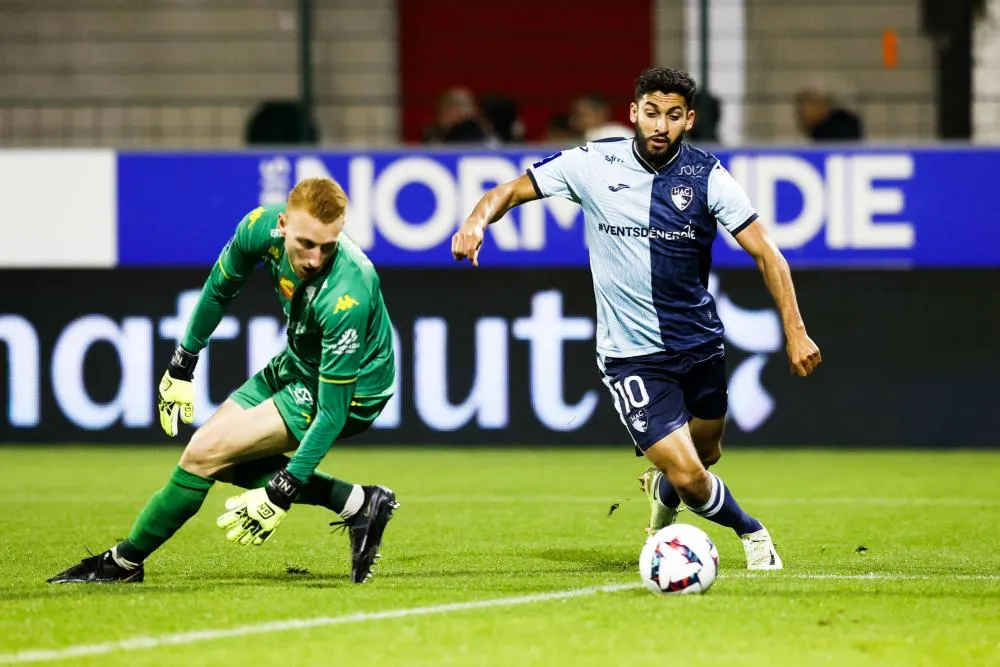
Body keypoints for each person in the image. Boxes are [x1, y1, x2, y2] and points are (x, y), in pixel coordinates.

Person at [451, 67, 821, 570]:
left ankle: (662, 494)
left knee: (705, 458)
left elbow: (768, 254)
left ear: (689, 120)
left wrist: (795, 332)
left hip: (700, 345)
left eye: (672, 116)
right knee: (692, 477)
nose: (660, 126)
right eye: (651, 113)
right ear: (633, 114)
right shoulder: (592, 163)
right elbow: (509, 191)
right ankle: (752, 533)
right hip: (632, 358)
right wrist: (476, 220)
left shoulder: (707, 177)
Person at [48, 177, 399, 585]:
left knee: (203, 453)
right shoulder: (258, 228)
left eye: (328, 246)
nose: (316, 258)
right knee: (213, 456)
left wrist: (281, 492)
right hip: (298, 361)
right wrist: (182, 365)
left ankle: (122, 563)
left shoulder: (348, 293)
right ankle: (359, 503)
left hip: (353, 390)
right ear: (283, 224)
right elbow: (219, 289)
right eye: (306, 243)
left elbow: (333, 413)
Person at [795, 85, 864, 141]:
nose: (802, 115)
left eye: (805, 108)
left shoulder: (840, 126)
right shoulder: (817, 130)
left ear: (821, 106)